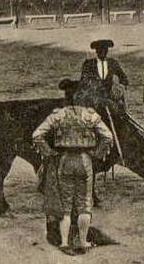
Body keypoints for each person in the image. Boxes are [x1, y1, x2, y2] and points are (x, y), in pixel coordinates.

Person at [33, 79, 113, 254]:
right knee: (84, 204)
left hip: (64, 159)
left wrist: (48, 152)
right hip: (84, 160)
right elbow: (108, 137)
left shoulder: (58, 115)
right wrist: (97, 154)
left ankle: (63, 242)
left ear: (66, 97)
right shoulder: (89, 115)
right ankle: (82, 242)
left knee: (66, 204)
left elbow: (37, 135)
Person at [77, 39, 129, 113]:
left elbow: (124, 78)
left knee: (119, 107)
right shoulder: (88, 64)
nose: (102, 52)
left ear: (107, 51)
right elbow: (84, 81)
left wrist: (120, 87)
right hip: (93, 96)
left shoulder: (113, 63)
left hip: (109, 96)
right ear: (96, 51)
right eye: (100, 50)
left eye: (104, 50)